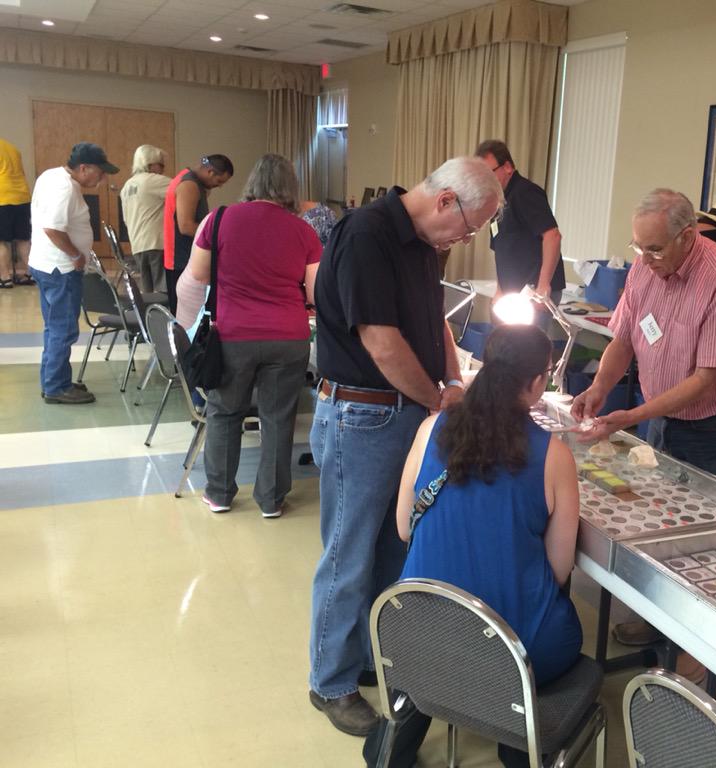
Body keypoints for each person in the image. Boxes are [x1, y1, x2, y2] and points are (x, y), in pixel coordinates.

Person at [308, 156, 502, 737]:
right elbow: (382, 342)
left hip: (405, 411)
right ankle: (331, 682)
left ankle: (372, 655)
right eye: (468, 227)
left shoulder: (421, 244)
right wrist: (436, 400)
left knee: (394, 545)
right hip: (362, 415)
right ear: (445, 201)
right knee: (347, 554)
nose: (465, 239)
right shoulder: (366, 234)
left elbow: (433, 320)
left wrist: (454, 381)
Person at [363, 324, 582, 768]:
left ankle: (411, 721)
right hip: (512, 652)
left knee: (438, 644)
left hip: (416, 632)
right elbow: (559, 569)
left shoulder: (431, 429)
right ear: (538, 381)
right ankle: (516, 734)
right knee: (558, 624)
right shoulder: (554, 456)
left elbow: (404, 528)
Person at [571, 188, 716, 652]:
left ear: (687, 236)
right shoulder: (644, 267)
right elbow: (624, 339)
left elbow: (708, 379)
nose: (645, 258)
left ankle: (695, 645)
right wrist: (599, 388)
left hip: (713, 428)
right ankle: (657, 618)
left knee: (702, 540)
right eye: (639, 247)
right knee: (656, 523)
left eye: (654, 249)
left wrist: (632, 416)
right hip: (660, 417)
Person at [175, 154, 321, 518]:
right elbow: (315, 293)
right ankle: (271, 500)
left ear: (253, 181)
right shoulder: (304, 231)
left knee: (225, 413)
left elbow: (198, 275)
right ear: (290, 188)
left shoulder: (219, 219)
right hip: (288, 336)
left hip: (233, 334)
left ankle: (220, 494)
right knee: (279, 418)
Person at [29, 142, 119, 404]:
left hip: (45, 265)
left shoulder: (51, 175)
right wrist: (76, 256)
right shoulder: (65, 188)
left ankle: (54, 380)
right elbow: (52, 229)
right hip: (61, 270)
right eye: (100, 172)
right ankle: (57, 388)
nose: (102, 179)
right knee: (63, 329)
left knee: (54, 327)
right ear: (84, 168)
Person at [474, 140, 565, 312]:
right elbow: (501, 250)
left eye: (489, 174)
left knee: (527, 332)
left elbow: (552, 236)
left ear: (507, 167)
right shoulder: (499, 201)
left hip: (533, 292)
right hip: (512, 294)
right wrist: (500, 289)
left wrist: (543, 285)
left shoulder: (525, 192)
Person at [163, 154, 233, 312]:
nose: (219, 186)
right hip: (181, 259)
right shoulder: (189, 185)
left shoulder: (187, 178)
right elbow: (186, 226)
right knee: (184, 316)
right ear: (210, 172)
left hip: (180, 257)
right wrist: (217, 237)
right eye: (219, 181)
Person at [120, 144, 172, 293]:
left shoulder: (127, 186)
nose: (163, 170)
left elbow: (126, 219)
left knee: (148, 291)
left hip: (137, 245)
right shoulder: (155, 180)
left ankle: (149, 309)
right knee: (163, 291)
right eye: (161, 165)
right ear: (150, 164)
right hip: (157, 243)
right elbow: (187, 189)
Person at [0, 137, 33, 288]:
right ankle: (30, 274)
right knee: (23, 239)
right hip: (22, 197)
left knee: (1, 241)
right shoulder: (12, 148)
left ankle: (4, 278)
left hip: (3, 198)